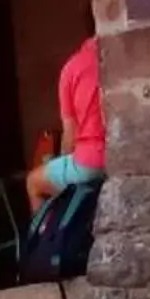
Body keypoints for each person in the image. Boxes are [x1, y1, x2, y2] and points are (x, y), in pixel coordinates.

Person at [29, 33, 105, 209]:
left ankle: (48, 236)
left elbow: (70, 135)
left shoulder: (72, 68)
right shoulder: (116, 58)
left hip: (90, 160)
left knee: (33, 182)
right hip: (119, 155)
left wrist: (62, 158)